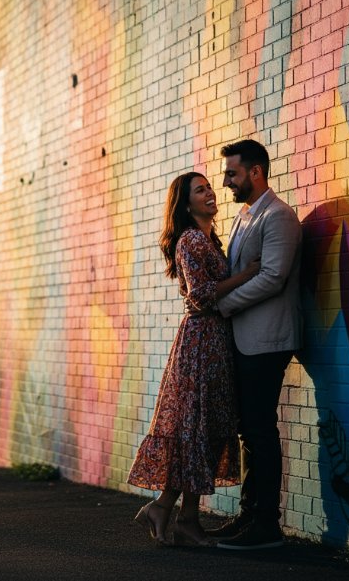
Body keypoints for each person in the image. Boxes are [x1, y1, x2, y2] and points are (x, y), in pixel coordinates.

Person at [128, 171, 260, 547]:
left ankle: (181, 517)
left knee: (206, 431)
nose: (210, 193)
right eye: (200, 190)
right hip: (200, 342)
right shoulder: (189, 240)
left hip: (216, 342)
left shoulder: (210, 239)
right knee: (195, 430)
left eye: (208, 187)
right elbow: (201, 296)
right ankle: (175, 515)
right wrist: (247, 275)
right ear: (187, 204)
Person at [209, 140, 302, 550]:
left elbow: (274, 277)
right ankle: (249, 516)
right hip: (246, 340)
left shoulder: (278, 216)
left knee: (260, 431)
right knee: (251, 431)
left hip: (267, 340)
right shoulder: (245, 216)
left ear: (256, 172)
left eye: (232, 173)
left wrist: (224, 306)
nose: (226, 181)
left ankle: (267, 526)